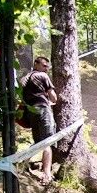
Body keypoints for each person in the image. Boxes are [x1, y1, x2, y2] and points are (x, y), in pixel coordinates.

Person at [20, 56, 57, 185]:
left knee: (38, 142)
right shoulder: (42, 76)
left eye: (47, 67)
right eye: (44, 66)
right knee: (47, 142)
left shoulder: (25, 78)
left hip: (31, 111)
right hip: (42, 110)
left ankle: (23, 163)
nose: (46, 69)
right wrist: (52, 99)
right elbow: (53, 97)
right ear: (36, 64)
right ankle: (46, 175)